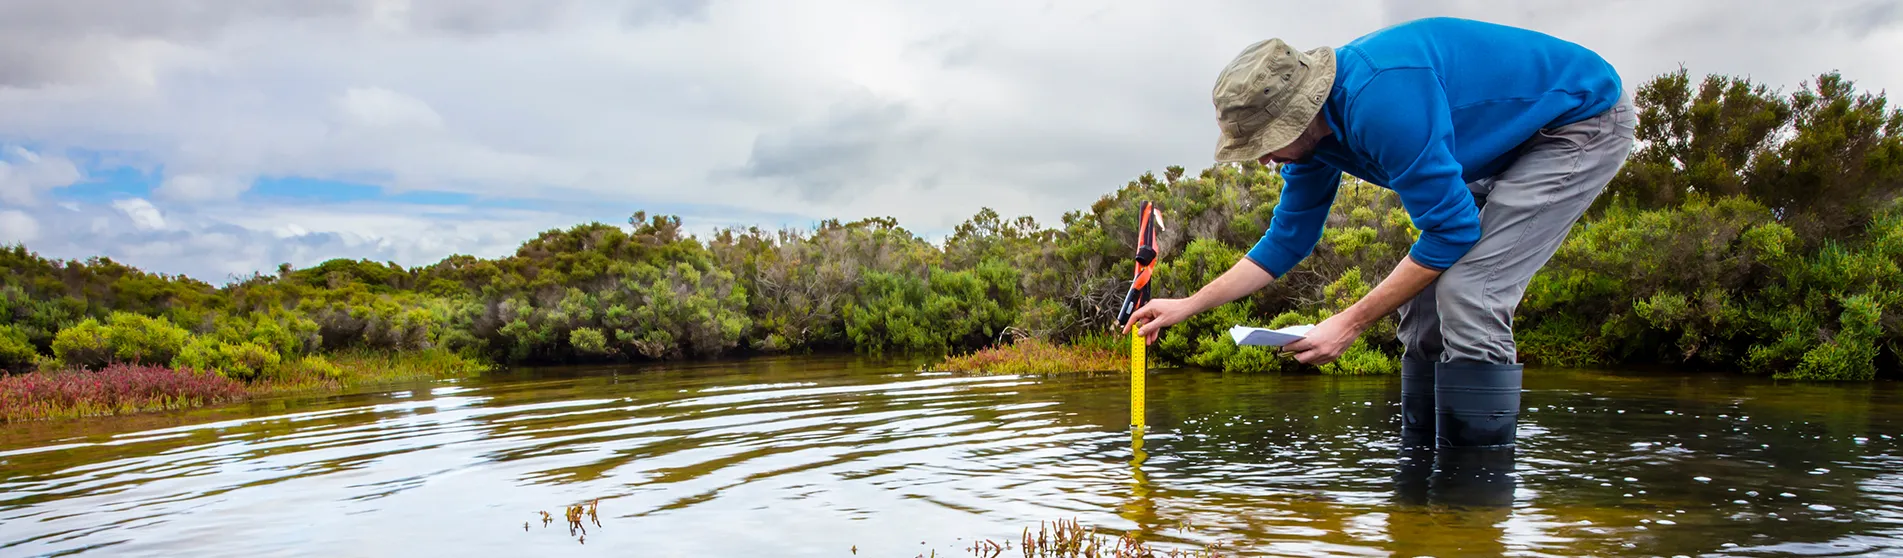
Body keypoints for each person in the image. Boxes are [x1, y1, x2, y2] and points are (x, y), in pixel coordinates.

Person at [1123, 17, 1637, 450]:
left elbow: (1452, 232)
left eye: (1268, 140)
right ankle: (1419, 485)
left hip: (1576, 124)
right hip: (1500, 145)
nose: (1262, 156)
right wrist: (1189, 304)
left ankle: (1472, 502)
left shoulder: (1382, 102)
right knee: (1423, 302)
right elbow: (1288, 239)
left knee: (1468, 291)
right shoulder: (1314, 144)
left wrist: (1348, 323)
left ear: (1303, 112)